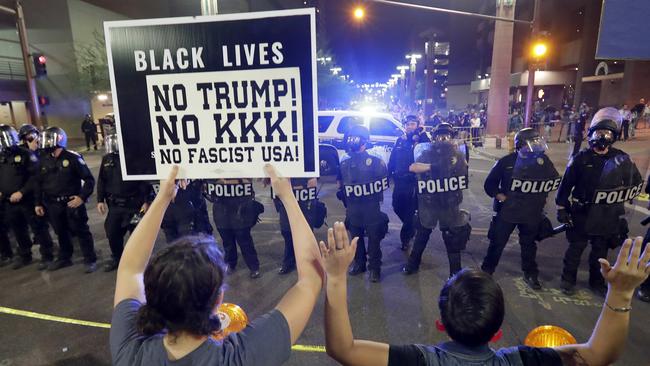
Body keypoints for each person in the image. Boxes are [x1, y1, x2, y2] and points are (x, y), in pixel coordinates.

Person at [110, 164, 334, 365]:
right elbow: (311, 280)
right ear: (218, 301)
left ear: (151, 298)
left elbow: (131, 268)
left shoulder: (131, 354)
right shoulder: (240, 357)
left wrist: (162, 198)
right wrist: (288, 196)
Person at [323, 233, 650, 366]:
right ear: (496, 332)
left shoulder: (420, 360)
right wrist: (620, 293)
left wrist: (336, 277)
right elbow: (598, 354)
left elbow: (343, 348)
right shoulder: (521, 361)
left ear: (441, 323)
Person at [557, 107, 643, 296]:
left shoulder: (621, 159)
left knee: (600, 253)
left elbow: (635, 182)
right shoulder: (581, 159)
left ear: (614, 136)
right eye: (599, 132)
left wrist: (622, 199)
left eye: (607, 133)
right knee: (575, 249)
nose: (603, 137)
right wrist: (562, 207)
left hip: (607, 214)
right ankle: (567, 279)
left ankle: (596, 281)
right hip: (582, 213)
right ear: (591, 134)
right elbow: (565, 186)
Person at [481, 128, 560, 290]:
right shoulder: (507, 162)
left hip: (531, 211)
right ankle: (486, 272)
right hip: (509, 211)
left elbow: (553, 180)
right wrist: (500, 196)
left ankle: (530, 273)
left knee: (529, 245)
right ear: (521, 145)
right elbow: (490, 184)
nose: (536, 146)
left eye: (537, 142)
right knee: (497, 242)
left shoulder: (543, 161)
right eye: (533, 142)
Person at [402, 123, 471, 278]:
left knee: (451, 239)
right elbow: (413, 167)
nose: (443, 139)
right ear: (434, 138)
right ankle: (413, 264)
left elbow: (464, 171)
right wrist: (434, 166)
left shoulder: (458, 156)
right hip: (429, 203)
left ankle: (455, 273)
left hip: (450, 203)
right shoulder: (427, 153)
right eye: (440, 136)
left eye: (446, 136)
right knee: (422, 234)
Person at [35, 127, 98, 273]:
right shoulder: (44, 160)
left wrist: (81, 198)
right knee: (61, 232)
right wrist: (38, 202)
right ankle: (65, 257)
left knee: (81, 231)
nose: (45, 143)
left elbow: (89, 180)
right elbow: (38, 183)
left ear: (59, 140)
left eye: (49, 139)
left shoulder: (72, 157)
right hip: (53, 204)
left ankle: (90, 259)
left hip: (71, 203)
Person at [337, 125, 389, 282]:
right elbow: (340, 179)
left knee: (374, 239)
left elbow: (383, 182)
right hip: (353, 207)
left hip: (371, 206)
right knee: (356, 238)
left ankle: (375, 268)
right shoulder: (345, 160)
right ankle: (359, 264)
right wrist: (342, 191)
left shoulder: (375, 159)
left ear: (364, 141)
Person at [96, 134, 152, 272]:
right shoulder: (107, 159)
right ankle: (117, 258)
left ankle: (139, 262)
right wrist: (100, 200)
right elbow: (102, 181)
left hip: (135, 206)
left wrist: (146, 201)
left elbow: (145, 180)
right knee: (112, 232)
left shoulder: (135, 158)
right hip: (115, 206)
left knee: (137, 233)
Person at [0, 125, 41, 269]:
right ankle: (25, 255)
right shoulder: (2, 156)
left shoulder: (25, 154)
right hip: (9, 201)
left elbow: (34, 177)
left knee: (38, 228)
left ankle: (47, 255)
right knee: (18, 230)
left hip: (27, 199)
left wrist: (22, 192)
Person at [387, 115, 429, 251]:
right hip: (399, 181)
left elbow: (428, 155)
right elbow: (393, 159)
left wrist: (420, 137)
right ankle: (411, 227)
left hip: (413, 182)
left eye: (412, 124)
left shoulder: (422, 140)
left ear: (417, 125)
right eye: (407, 124)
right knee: (396, 206)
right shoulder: (400, 140)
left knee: (410, 212)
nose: (409, 126)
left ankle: (405, 239)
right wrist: (388, 175)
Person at [16, 124, 55, 269]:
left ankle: (51, 252)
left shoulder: (45, 151)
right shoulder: (24, 154)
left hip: (47, 193)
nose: (33, 139)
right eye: (29, 137)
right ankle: (42, 252)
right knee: (38, 226)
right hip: (32, 196)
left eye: (34, 136)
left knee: (53, 225)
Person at [207, 178, 262, 279]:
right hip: (222, 211)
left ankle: (254, 267)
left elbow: (248, 182)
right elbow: (210, 192)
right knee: (228, 242)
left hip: (240, 210)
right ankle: (230, 263)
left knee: (245, 242)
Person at [271, 177, 324, 274]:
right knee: (287, 233)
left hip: (305, 201)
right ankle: (289, 262)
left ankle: (307, 263)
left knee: (306, 235)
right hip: (287, 197)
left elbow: (314, 175)